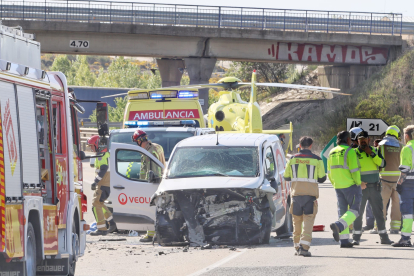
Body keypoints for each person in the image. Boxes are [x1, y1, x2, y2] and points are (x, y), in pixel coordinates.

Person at [284, 136, 326, 257]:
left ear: (300, 145)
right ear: (311, 146)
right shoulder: (317, 160)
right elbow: (322, 178)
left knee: (296, 222)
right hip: (310, 196)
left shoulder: (292, 159)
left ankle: (297, 246)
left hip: (296, 196)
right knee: (308, 222)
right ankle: (304, 247)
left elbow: (286, 177)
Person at [351, 130, 393, 245]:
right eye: (360, 140)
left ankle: (384, 237)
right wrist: (359, 183)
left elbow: (383, 164)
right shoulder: (354, 152)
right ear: (357, 141)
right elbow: (351, 170)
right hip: (361, 188)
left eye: (365, 139)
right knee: (358, 213)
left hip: (375, 187)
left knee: (379, 213)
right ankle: (356, 237)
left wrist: (372, 154)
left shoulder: (375, 150)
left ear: (368, 140)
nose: (363, 141)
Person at [328, 131, 361, 248]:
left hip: (338, 186)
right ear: (348, 140)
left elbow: (329, 172)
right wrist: (359, 183)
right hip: (351, 185)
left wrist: (335, 184)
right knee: (355, 210)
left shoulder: (331, 152)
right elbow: (355, 170)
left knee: (342, 212)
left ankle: (344, 241)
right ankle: (339, 225)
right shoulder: (350, 151)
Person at [132, 129, 166, 242]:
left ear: (141, 140)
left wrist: (149, 182)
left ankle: (151, 234)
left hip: (152, 183)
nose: (137, 144)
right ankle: (154, 233)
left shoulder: (149, 152)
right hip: (158, 181)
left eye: (137, 141)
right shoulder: (156, 147)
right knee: (157, 208)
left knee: (150, 208)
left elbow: (154, 170)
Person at [372, 126, 402, 234]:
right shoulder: (401, 146)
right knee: (397, 205)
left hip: (384, 180)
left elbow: (376, 162)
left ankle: (378, 227)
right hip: (399, 181)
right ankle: (395, 228)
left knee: (381, 204)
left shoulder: (380, 146)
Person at [88, 135, 116, 236]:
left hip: (102, 184)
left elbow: (103, 169)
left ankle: (101, 228)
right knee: (100, 203)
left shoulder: (101, 155)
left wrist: (95, 181)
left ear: (97, 145)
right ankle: (112, 222)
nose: (90, 148)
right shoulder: (106, 154)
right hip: (106, 184)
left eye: (91, 146)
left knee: (95, 204)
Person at [392, 125, 414, 247]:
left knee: (407, 212)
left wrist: (399, 183)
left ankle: (405, 239)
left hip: (409, 185)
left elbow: (404, 170)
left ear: (406, 136)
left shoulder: (408, 148)